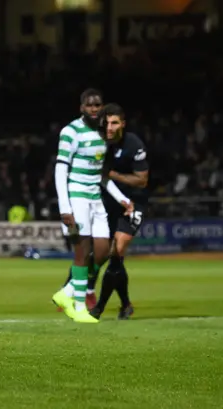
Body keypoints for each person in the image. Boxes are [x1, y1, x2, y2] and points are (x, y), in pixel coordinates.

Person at [51, 89, 133, 323]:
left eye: (98, 105)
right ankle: (78, 307)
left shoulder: (103, 134)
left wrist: (121, 199)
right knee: (82, 252)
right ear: (81, 108)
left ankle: (65, 293)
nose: (95, 109)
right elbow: (60, 169)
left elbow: (102, 175)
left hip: (95, 198)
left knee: (102, 250)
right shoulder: (70, 132)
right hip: (77, 197)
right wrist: (64, 207)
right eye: (90, 105)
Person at [90, 103, 149, 320]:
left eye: (115, 122)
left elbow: (142, 181)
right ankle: (125, 304)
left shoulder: (134, 144)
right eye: (107, 122)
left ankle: (98, 308)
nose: (110, 127)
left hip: (134, 203)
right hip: (107, 204)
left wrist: (113, 175)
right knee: (108, 254)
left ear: (123, 124)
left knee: (118, 248)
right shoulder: (97, 144)